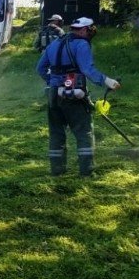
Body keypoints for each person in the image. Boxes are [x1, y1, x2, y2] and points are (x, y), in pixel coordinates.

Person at [35, 17, 120, 177]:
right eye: (89, 29)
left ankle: (57, 171)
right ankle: (87, 172)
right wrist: (107, 81)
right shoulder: (81, 44)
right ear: (82, 30)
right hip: (74, 95)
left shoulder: (55, 43)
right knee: (84, 132)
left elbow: (40, 68)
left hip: (54, 94)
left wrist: (54, 82)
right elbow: (87, 70)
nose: (91, 32)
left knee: (56, 133)